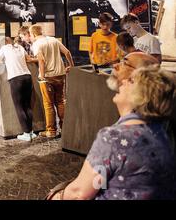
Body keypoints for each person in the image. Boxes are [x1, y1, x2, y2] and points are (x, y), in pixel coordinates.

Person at [51, 65, 176, 200]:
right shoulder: (163, 134)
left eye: (132, 81)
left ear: (142, 96)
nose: (123, 82)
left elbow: (80, 193)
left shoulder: (114, 138)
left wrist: (57, 196)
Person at [29, 24, 74, 138]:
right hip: (60, 74)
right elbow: (67, 52)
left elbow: (42, 60)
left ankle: (51, 131)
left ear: (33, 34)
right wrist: (71, 65)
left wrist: (42, 76)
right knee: (60, 101)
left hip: (48, 77)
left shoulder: (36, 44)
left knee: (48, 104)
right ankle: (64, 129)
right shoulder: (53, 40)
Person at [0, 37, 36, 141]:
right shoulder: (20, 47)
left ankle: (26, 134)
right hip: (27, 77)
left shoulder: (4, 49)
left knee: (19, 106)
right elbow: (27, 58)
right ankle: (31, 131)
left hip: (16, 78)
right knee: (27, 105)